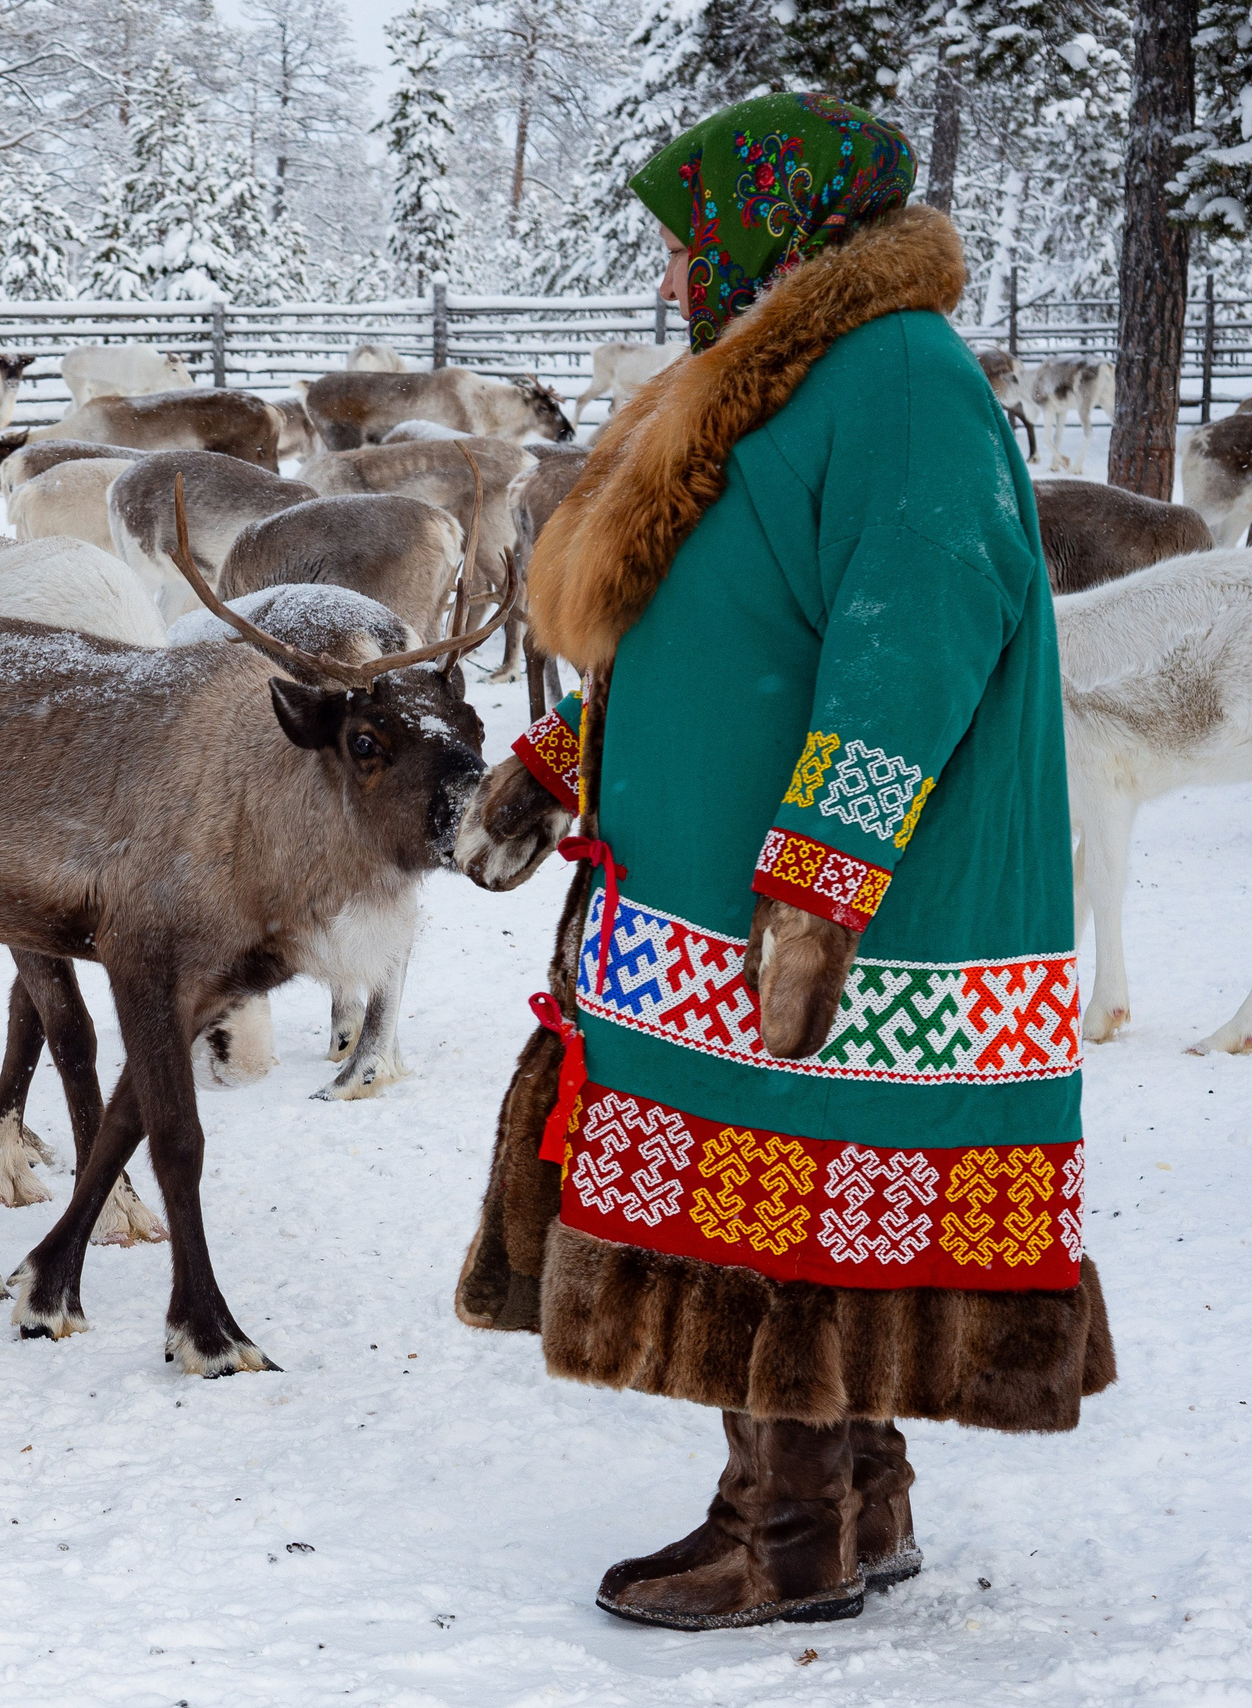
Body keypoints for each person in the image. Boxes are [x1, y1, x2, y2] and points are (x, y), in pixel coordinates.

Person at [448, 92, 1115, 1631]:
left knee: (791, 1197)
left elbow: (915, 638)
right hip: (717, 885)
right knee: (784, 1188)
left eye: (700, 237)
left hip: (832, 914)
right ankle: (858, 1499)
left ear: (774, 227)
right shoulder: (785, 376)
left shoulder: (896, 379)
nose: (682, 270)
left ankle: (786, 1529)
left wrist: (823, 878)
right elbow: (716, 625)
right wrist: (565, 765)